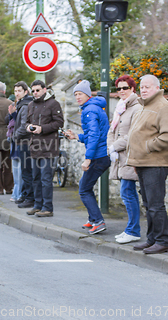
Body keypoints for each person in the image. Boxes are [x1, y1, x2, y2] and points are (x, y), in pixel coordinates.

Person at [126, 75, 168, 254]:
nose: (144, 89)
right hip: (143, 162)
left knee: (155, 204)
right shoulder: (143, 106)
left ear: (157, 88)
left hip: (155, 163)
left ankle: (164, 241)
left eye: (148, 86)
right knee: (148, 204)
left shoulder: (163, 107)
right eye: (142, 86)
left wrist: (147, 147)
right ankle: (152, 239)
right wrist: (136, 158)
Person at [65, 80, 110, 235]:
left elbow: (95, 136)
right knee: (86, 187)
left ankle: (98, 221)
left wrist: (88, 159)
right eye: (76, 94)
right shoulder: (94, 107)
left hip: (99, 155)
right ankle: (93, 219)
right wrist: (77, 136)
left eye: (80, 94)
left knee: (84, 189)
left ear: (88, 94)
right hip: (101, 154)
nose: (77, 97)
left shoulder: (89, 110)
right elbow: (92, 134)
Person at [107, 75, 142, 244]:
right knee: (127, 193)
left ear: (132, 89)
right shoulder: (120, 107)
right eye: (118, 88)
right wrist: (110, 147)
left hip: (130, 156)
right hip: (119, 156)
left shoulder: (136, 108)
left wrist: (116, 146)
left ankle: (133, 230)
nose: (121, 91)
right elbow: (111, 131)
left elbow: (133, 135)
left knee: (127, 193)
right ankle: (130, 229)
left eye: (124, 88)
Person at [25, 80, 64, 217]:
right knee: (35, 177)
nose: (35, 93)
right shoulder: (31, 105)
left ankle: (48, 208)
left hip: (49, 148)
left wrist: (42, 129)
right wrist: (28, 127)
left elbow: (59, 122)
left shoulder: (53, 104)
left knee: (46, 179)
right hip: (34, 147)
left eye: (38, 90)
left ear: (44, 89)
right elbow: (27, 122)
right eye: (33, 90)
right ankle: (37, 205)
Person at [9, 81, 34, 208]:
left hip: (25, 142)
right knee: (25, 170)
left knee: (26, 171)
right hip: (23, 141)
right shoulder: (21, 104)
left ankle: (28, 197)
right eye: (15, 91)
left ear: (25, 91)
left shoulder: (24, 105)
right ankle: (25, 195)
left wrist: (14, 136)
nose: (16, 93)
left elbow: (24, 126)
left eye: (19, 91)